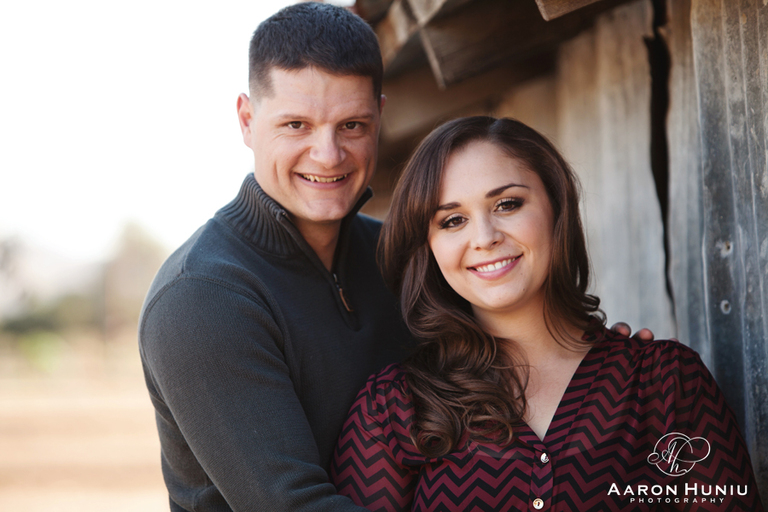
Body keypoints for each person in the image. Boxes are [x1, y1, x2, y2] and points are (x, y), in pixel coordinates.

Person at [140, 4, 653, 511]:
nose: (328, 154)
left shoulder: (400, 256)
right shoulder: (202, 298)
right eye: (296, 125)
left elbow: (511, 333)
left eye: (352, 125)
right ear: (248, 121)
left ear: (380, 116)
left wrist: (607, 368)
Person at [330, 116, 763, 511]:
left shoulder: (666, 381)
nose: (484, 237)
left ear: (557, 207)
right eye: (452, 221)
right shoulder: (390, 410)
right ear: (429, 247)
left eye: (507, 205)